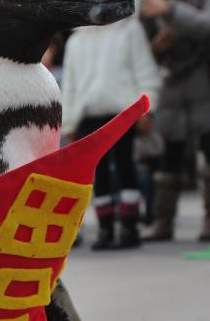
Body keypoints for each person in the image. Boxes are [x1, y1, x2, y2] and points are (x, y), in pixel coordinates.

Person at [62, 14, 161, 249]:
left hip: (123, 112)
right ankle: (105, 227)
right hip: (88, 115)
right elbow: (71, 85)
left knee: (126, 167)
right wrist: (70, 123)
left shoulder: (128, 29)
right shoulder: (76, 39)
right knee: (99, 174)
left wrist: (148, 108)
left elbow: (144, 70)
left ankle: (129, 226)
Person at [140, 0, 210, 241]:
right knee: (169, 157)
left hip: (204, 78)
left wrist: (171, 10)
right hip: (172, 84)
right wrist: (159, 47)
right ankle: (163, 221)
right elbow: (142, 50)